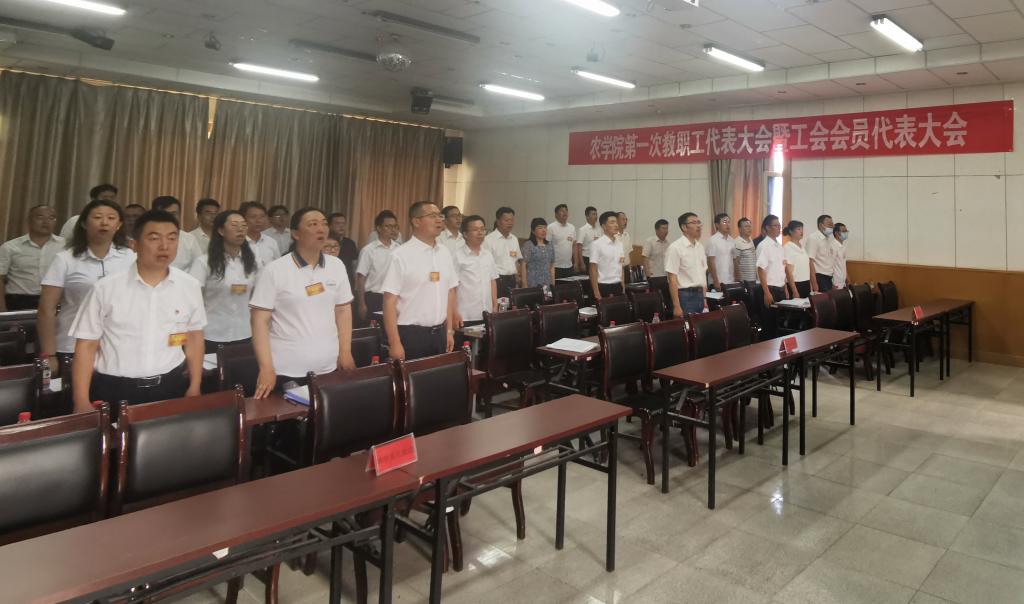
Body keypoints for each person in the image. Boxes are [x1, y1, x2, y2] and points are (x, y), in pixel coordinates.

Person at [69, 209, 205, 413]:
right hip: (115, 388)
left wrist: (195, 385)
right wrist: (81, 401)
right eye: (154, 238)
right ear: (135, 245)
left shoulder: (189, 286)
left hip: (171, 385)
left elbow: (194, 337)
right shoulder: (106, 288)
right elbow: (86, 345)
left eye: (172, 238)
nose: (164, 246)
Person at [250, 207, 355, 398]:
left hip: (328, 365)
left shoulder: (336, 265)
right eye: (313, 224)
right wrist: (266, 367)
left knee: (327, 416)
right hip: (287, 367)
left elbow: (343, 311)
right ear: (296, 234)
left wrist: (345, 352)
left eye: (324, 223)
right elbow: (259, 321)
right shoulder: (275, 270)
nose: (321, 229)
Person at [39, 199, 136, 377]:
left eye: (111, 218)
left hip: (117, 345)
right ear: (84, 223)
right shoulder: (65, 259)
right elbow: (46, 309)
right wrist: (49, 354)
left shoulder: (130, 257)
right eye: (97, 217)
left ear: (119, 225)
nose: (104, 222)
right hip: (72, 344)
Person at [381, 201, 459, 361]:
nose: (439, 220)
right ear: (416, 221)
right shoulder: (400, 255)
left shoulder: (444, 252)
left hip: (440, 333)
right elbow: (389, 302)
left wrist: (449, 331)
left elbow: (450, 291)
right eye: (433, 216)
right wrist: (394, 343)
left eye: (440, 216)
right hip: (411, 335)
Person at [189, 210, 261, 353]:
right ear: (221, 230)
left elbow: (258, 293)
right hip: (212, 333)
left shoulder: (252, 262)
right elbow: (192, 297)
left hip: (244, 333)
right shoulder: (204, 262)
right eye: (234, 225)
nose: (240, 229)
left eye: (244, 225)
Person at [0, 205, 64, 311]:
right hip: (18, 302)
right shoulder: (10, 247)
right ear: (29, 220)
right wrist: (2, 309)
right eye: (40, 217)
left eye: (51, 218)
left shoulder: (66, 246)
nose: (46, 222)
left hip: (55, 301)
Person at [355, 210, 400, 323]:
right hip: (374, 297)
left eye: (395, 226)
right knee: (375, 330)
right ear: (379, 228)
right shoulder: (368, 250)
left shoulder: (399, 249)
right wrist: (361, 303)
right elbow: (361, 278)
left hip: (394, 297)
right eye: (388, 226)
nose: (392, 229)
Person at [454, 214, 497, 326]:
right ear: (465, 234)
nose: (480, 233)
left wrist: (495, 306)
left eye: (482, 229)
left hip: (487, 313)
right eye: (475, 230)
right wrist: (454, 312)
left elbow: (492, 281)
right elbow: (452, 287)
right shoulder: (457, 256)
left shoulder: (488, 255)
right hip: (466, 315)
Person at [665, 212, 708, 317]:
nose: (698, 225)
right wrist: (676, 306)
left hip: (700, 295)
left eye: (699, 222)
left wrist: (705, 300)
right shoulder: (675, 248)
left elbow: (702, 275)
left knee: (700, 326)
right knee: (687, 326)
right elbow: (672, 278)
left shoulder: (700, 247)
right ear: (684, 227)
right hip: (685, 297)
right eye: (694, 222)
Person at [756, 215, 789, 338]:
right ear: (767, 228)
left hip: (780, 289)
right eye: (776, 226)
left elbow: (782, 269)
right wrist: (767, 293)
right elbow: (761, 269)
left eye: (779, 226)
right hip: (769, 289)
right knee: (769, 325)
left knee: (778, 324)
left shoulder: (779, 246)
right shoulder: (764, 245)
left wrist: (785, 288)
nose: (779, 228)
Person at [151, 196, 203, 271]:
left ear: (179, 215)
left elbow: (199, 266)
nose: (169, 217)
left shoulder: (189, 239)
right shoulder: (145, 238)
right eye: (164, 214)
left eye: (173, 214)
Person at [484, 206, 520, 298]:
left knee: (511, 305)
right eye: (506, 220)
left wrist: (517, 278)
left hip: (512, 280)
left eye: (512, 220)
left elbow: (516, 261)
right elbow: (486, 264)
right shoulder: (488, 240)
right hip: (497, 280)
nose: (510, 223)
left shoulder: (514, 239)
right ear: (498, 221)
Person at [589, 211, 625, 300]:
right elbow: (593, 269)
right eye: (612, 222)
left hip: (618, 285)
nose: (616, 225)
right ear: (604, 226)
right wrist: (596, 292)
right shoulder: (596, 244)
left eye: (616, 222)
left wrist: (623, 285)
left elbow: (621, 265)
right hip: (603, 286)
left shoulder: (620, 244)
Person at [241, 201, 282, 266]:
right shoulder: (238, 242)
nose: (258, 221)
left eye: (262, 217)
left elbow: (278, 266)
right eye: (253, 217)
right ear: (243, 219)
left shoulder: (271, 242)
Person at [782, 220, 815, 298]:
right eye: (798, 229)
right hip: (795, 285)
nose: (801, 231)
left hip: (806, 283)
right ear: (791, 231)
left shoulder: (802, 247)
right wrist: (794, 291)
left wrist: (810, 286)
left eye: (802, 229)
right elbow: (788, 272)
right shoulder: (787, 247)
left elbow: (806, 268)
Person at [520, 217, 555, 288]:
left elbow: (552, 266)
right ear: (533, 231)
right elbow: (523, 266)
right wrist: (524, 284)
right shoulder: (528, 245)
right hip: (532, 282)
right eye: (540, 228)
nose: (543, 230)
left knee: (547, 296)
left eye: (545, 227)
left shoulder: (550, 245)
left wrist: (553, 284)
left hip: (547, 283)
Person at [805, 214, 835, 293]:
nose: (832, 227)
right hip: (819, 277)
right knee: (823, 300)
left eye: (832, 225)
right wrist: (814, 283)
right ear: (821, 225)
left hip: (828, 277)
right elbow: (810, 261)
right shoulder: (813, 238)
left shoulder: (828, 239)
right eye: (829, 225)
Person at [327, 212, 360, 284]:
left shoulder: (350, 243)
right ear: (330, 226)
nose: (341, 226)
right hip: (328, 279)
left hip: (347, 281)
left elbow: (354, 265)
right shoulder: (324, 243)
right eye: (337, 223)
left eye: (343, 223)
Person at [706, 213, 735, 291]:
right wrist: (716, 281)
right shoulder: (712, 240)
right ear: (717, 225)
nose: (728, 224)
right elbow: (710, 262)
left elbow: (734, 261)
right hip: (717, 282)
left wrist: (735, 278)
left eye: (729, 222)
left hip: (730, 281)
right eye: (724, 222)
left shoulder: (732, 240)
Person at [548, 204, 576, 280]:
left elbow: (574, 245)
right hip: (555, 266)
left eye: (566, 211)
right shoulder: (551, 227)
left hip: (569, 266)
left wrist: (576, 262)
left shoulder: (572, 227)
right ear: (556, 215)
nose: (565, 213)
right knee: (556, 286)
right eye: (562, 211)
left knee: (569, 286)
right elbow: (547, 247)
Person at [733, 217, 757, 283]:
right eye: (746, 226)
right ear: (740, 229)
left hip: (753, 279)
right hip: (744, 281)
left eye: (750, 226)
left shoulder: (751, 240)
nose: (749, 228)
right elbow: (736, 263)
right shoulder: (737, 242)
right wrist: (738, 280)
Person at [575, 206, 598, 273]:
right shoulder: (583, 229)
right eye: (593, 214)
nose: (596, 216)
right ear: (587, 216)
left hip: (597, 258)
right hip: (586, 258)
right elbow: (579, 247)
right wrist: (582, 263)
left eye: (596, 214)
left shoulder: (599, 229)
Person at [832, 222, 849, 289]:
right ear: (836, 233)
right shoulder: (833, 246)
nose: (846, 233)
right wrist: (831, 283)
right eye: (844, 231)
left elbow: (843, 263)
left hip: (842, 281)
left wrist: (847, 276)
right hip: (835, 282)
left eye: (846, 231)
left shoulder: (843, 246)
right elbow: (830, 265)